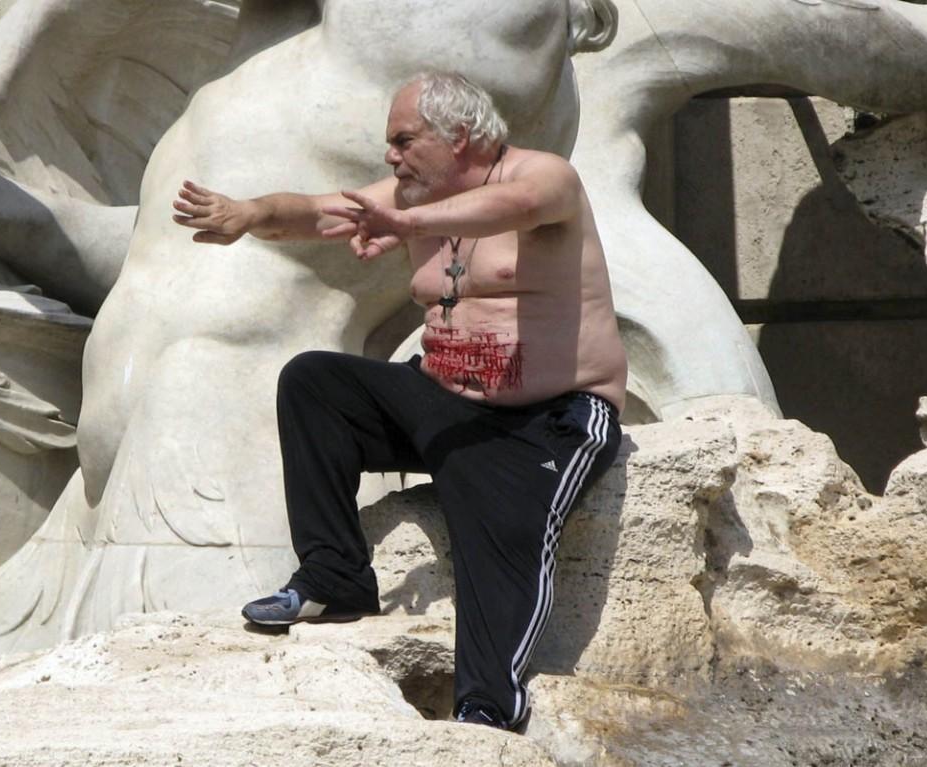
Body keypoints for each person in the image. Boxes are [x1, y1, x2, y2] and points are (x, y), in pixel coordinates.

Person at [172, 71, 627, 731]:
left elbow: (515, 209)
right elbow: (316, 210)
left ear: (460, 136)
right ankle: (335, 578)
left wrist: (405, 218)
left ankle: (487, 707)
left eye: (403, 139)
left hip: (550, 415)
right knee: (315, 383)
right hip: (447, 392)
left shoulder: (546, 177)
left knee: (493, 518)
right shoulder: (411, 195)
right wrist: (247, 215)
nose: (390, 156)